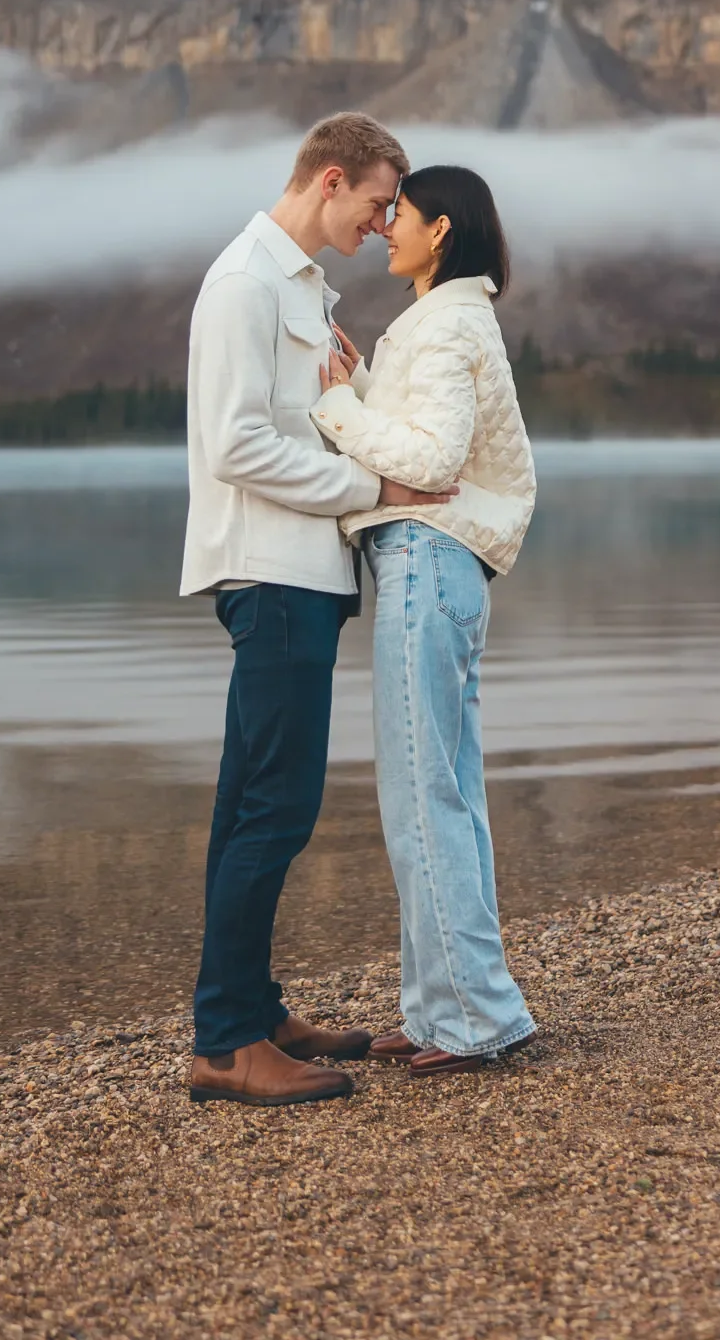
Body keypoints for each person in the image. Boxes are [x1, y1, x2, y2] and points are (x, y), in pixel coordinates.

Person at [183, 112, 458, 1108]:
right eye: (380, 201)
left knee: (245, 804)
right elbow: (235, 445)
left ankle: (250, 1010)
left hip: (299, 571)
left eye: (395, 207)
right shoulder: (246, 284)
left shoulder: (298, 287)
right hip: (272, 573)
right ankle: (223, 1042)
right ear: (331, 179)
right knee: (277, 806)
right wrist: (375, 495)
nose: (386, 221)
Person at [310, 164, 537, 1078]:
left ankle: (477, 1017)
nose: (386, 226)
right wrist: (364, 382)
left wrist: (332, 408)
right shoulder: (447, 319)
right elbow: (420, 431)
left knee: (421, 800)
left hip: (425, 557)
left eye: (398, 213)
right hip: (443, 567)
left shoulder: (445, 324)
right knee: (446, 795)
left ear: (440, 230)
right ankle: (446, 1008)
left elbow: (435, 458)